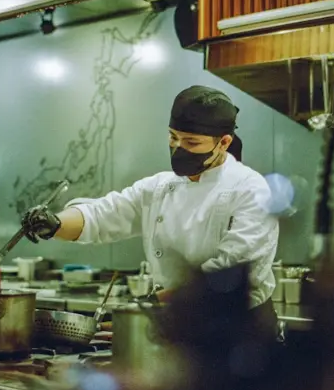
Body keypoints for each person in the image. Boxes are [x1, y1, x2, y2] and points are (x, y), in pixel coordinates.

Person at [22, 85, 279, 321]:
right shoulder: (159, 186)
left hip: (236, 329)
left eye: (191, 142)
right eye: (173, 137)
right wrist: (54, 224)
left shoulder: (250, 190)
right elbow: (103, 215)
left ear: (224, 143)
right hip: (177, 320)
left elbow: (226, 277)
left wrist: (148, 306)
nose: (178, 148)